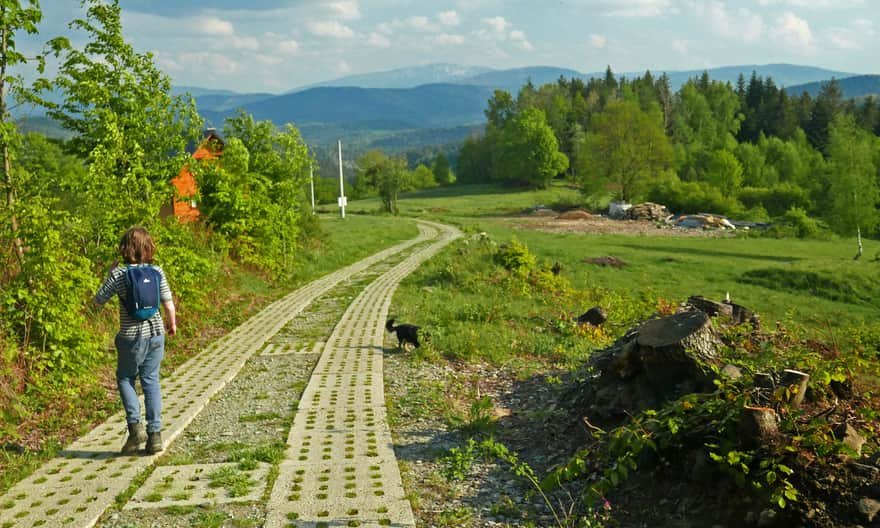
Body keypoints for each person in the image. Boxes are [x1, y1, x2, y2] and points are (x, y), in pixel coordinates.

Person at [95, 227, 176, 454]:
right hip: (156, 333)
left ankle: (135, 427)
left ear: (125, 249)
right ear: (148, 247)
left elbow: (98, 300)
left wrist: (109, 275)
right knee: (151, 381)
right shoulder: (157, 271)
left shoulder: (119, 275)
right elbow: (168, 304)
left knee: (125, 377)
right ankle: (155, 436)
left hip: (130, 338)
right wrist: (172, 325)